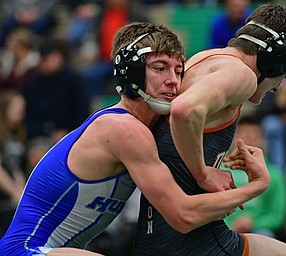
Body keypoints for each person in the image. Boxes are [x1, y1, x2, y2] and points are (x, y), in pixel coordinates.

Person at [0, 21, 269, 256]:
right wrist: (255, 186)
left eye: (179, 70)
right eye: (160, 68)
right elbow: (183, 215)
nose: (173, 81)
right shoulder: (123, 129)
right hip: (26, 250)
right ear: (132, 73)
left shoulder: (141, 127)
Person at [133, 3, 286, 256]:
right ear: (277, 60)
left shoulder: (208, 59)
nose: (278, 87)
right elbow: (185, 110)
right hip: (191, 244)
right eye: (285, 75)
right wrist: (204, 174)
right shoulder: (242, 74)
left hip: (170, 236)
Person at [223, 115, 286, 240]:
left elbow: (277, 215)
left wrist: (252, 223)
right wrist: (230, 226)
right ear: (233, 137)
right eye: (244, 134)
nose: (249, 139)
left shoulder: (275, 175)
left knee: (265, 235)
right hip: (222, 229)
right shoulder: (218, 171)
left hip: (258, 231)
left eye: (254, 135)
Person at [0, 90, 27, 237]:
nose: (20, 113)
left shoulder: (16, 136)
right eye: (17, 109)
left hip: (12, 201)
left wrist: (22, 194)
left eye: (23, 110)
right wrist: (15, 193)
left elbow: (17, 168)